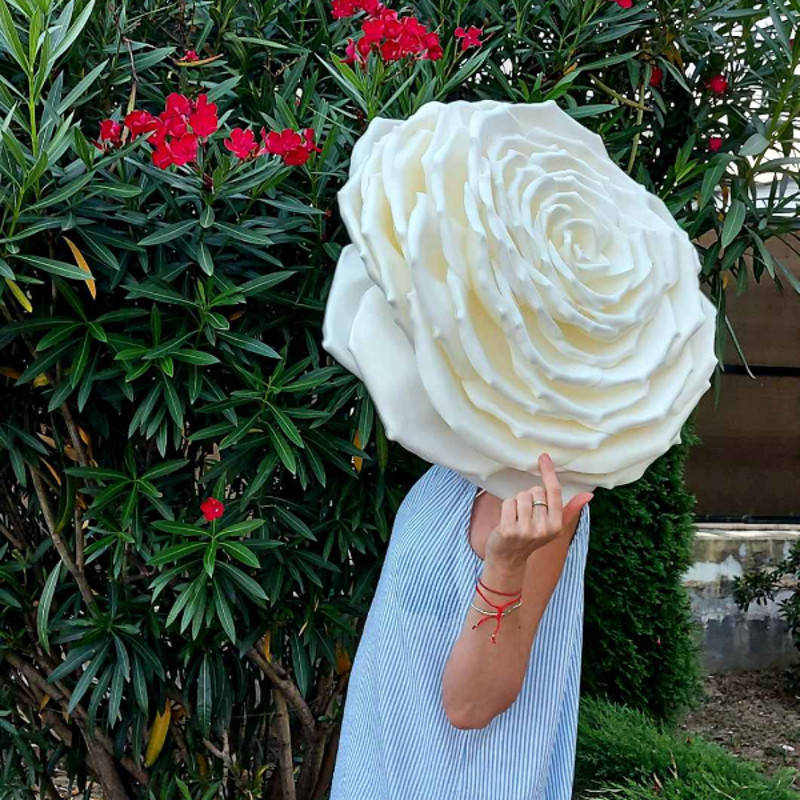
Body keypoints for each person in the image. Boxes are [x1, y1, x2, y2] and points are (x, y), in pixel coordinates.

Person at [329, 452, 595, 800]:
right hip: (379, 773)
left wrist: (505, 566)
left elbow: (471, 706)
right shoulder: (457, 467)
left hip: (455, 781)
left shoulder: (534, 495)